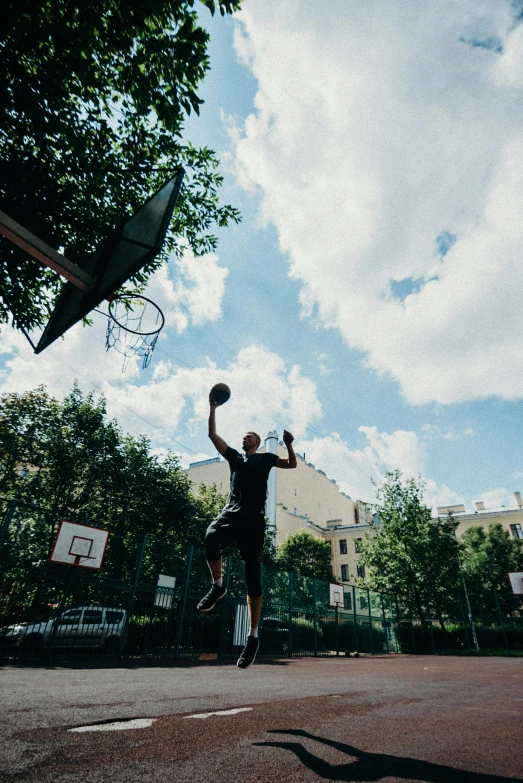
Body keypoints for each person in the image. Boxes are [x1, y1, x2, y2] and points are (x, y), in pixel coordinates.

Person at [198, 392, 297, 668]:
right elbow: (212, 436)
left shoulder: (266, 458)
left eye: (249, 436)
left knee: (253, 580)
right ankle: (217, 586)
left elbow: (291, 464)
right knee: (210, 536)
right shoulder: (235, 458)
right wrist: (212, 408)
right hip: (231, 514)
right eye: (243, 437)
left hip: (254, 522)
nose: (245, 439)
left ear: (258, 441)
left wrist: (289, 444)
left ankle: (253, 637)